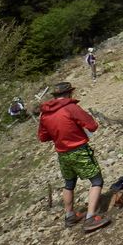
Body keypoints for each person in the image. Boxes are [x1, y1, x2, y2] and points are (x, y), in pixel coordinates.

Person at [37, 82, 111, 232]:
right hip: (79, 150)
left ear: (55, 96)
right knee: (97, 181)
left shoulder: (45, 113)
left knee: (69, 183)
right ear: (69, 93)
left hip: (62, 153)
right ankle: (90, 218)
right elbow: (92, 126)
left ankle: (69, 215)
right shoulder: (71, 108)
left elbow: (43, 137)